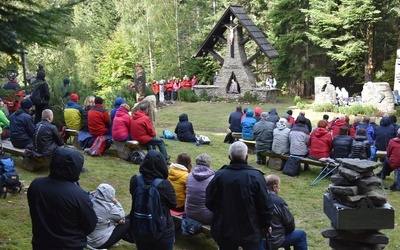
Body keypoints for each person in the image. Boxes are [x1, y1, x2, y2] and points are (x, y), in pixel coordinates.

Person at [205, 141, 273, 250]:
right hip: (248, 230)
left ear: (229, 157)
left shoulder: (220, 176)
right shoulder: (254, 177)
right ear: (246, 157)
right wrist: (266, 224)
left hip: (230, 229)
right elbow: (265, 206)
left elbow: (209, 201)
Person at [27, 147, 98, 249]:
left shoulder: (36, 185)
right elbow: (90, 225)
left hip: (41, 243)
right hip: (69, 246)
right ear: (76, 167)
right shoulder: (80, 196)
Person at [129, 150, 176, 249]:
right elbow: (173, 203)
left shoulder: (135, 180)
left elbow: (133, 195)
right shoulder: (164, 185)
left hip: (139, 226)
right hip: (163, 229)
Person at [265, 174, 308, 250]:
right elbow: (289, 223)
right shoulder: (278, 202)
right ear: (274, 187)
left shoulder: (258, 198)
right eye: (279, 185)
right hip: (274, 239)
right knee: (301, 235)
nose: (280, 188)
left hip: (260, 238)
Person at [87, 183, 135, 249]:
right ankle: (135, 239)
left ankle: (135, 239)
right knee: (128, 222)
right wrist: (116, 202)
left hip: (89, 239)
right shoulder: (108, 207)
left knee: (121, 223)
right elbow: (122, 215)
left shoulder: (89, 201)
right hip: (99, 242)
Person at [185, 153, 215, 225]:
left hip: (189, 212)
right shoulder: (213, 178)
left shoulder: (189, 176)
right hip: (206, 216)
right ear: (209, 165)